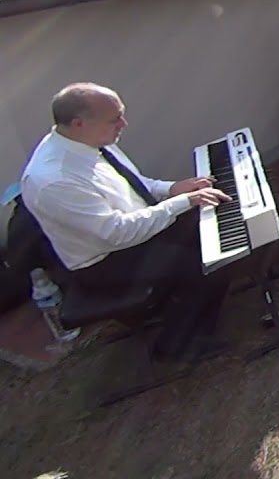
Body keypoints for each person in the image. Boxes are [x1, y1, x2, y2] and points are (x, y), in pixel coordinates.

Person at [19, 83, 233, 362]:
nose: (124, 123)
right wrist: (185, 202)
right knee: (208, 259)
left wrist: (174, 189)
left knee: (212, 226)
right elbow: (117, 233)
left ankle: (196, 307)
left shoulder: (91, 142)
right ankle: (176, 344)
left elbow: (135, 185)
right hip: (106, 261)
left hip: (132, 233)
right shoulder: (54, 180)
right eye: (115, 119)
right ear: (79, 124)